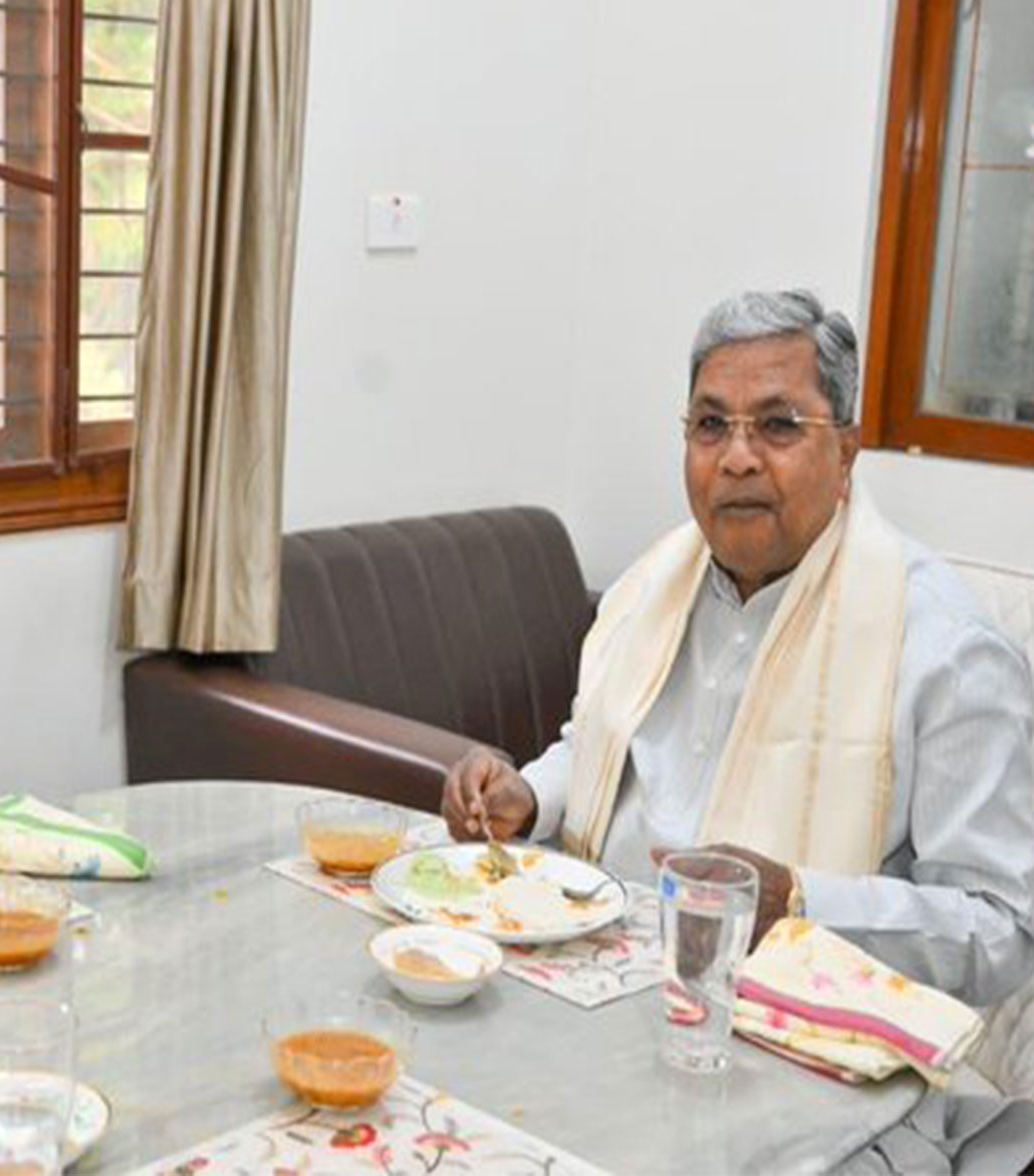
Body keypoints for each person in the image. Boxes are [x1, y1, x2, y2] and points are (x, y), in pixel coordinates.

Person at [443, 289, 1034, 1169]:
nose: (739, 459)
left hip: (833, 1079)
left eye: (780, 425)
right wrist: (533, 795)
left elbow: (1004, 930)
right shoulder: (654, 588)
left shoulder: (942, 646)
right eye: (710, 426)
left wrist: (800, 905)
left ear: (846, 451)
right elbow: (605, 747)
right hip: (599, 1007)